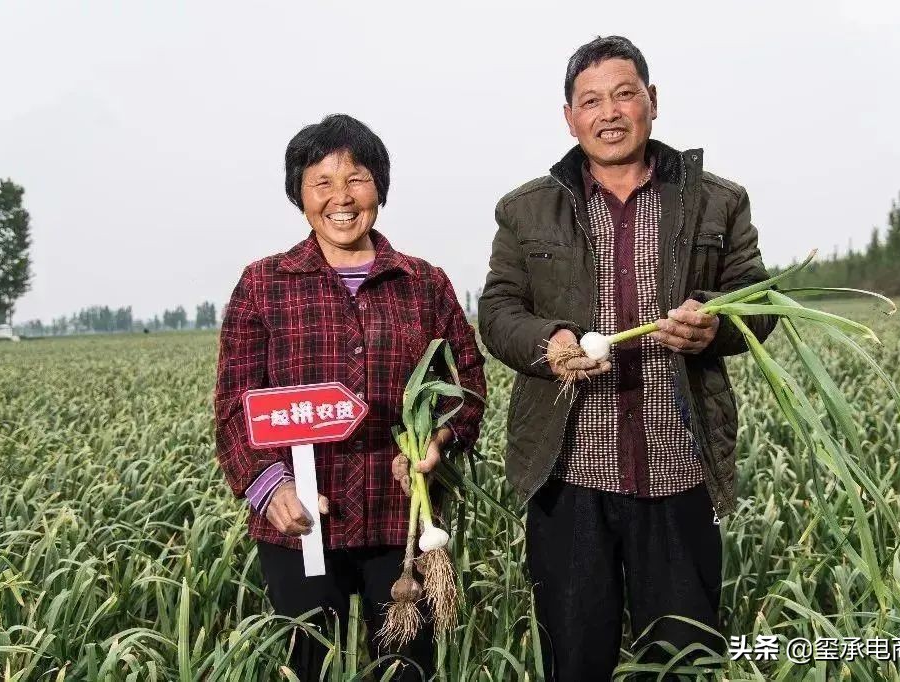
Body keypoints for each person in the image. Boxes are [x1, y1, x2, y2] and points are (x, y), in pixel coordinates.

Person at [479, 36, 776, 680]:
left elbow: (760, 303)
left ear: (652, 101)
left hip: (677, 467)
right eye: (591, 101)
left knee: (684, 658)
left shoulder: (717, 201)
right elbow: (499, 311)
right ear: (569, 117)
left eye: (624, 94)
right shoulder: (527, 209)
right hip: (569, 475)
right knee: (575, 657)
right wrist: (550, 343)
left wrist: (713, 327)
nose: (609, 113)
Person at [214, 114, 486, 680]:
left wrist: (438, 440)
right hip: (302, 524)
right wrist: (270, 487)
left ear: (379, 189)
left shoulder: (423, 282)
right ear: (300, 195)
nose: (341, 198)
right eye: (322, 183)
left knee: (407, 668)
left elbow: (466, 386)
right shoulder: (264, 284)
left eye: (357, 179)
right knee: (310, 662)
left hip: (403, 520)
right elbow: (234, 403)